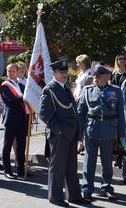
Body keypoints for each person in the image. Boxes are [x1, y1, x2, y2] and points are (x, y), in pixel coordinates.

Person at [39, 60, 89, 207]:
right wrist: (60, 129)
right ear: (54, 73)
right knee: (58, 167)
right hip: (60, 134)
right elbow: (44, 114)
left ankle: (74, 195)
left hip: (71, 133)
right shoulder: (50, 89)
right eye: (61, 72)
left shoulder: (65, 88)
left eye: (65, 72)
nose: (64, 75)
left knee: (71, 167)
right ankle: (55, 197)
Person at [78, 64, 125, 201]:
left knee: (107, 161)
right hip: (91, 130)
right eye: (94, 75)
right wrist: (79, 136)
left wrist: (122, 137)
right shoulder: (87, 90)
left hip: (109, 131)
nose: (95, 78)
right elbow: (81, 114)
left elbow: (121, 114)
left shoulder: (116, 91)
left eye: (98, 76)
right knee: (89, 161)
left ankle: (107, 187)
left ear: (107, 77)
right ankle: (87, 188)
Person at [1, 63, 26, 180]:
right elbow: (11, 101)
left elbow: (26, 99)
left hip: (21, 119)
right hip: (11, 119)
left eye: (13, 71)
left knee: (21, 146)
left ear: (17, 72)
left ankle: (21, 170)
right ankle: (7, 170)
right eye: (9, 71)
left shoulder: (21, 86)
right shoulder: (4, 86)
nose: (11, 73)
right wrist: (23, 98)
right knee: (8, 146)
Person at [74, 54, 93, 155]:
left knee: (83, 122)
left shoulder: (89, 73)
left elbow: (88, 88)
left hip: (84, 102)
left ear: (84, 63)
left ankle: (84, 145)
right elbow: (78, 87)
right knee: (79, 123)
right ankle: (81, 143)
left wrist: (80, 97)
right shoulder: (82, 73)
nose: (77, 65)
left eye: (79, 63)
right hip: (78, 101)